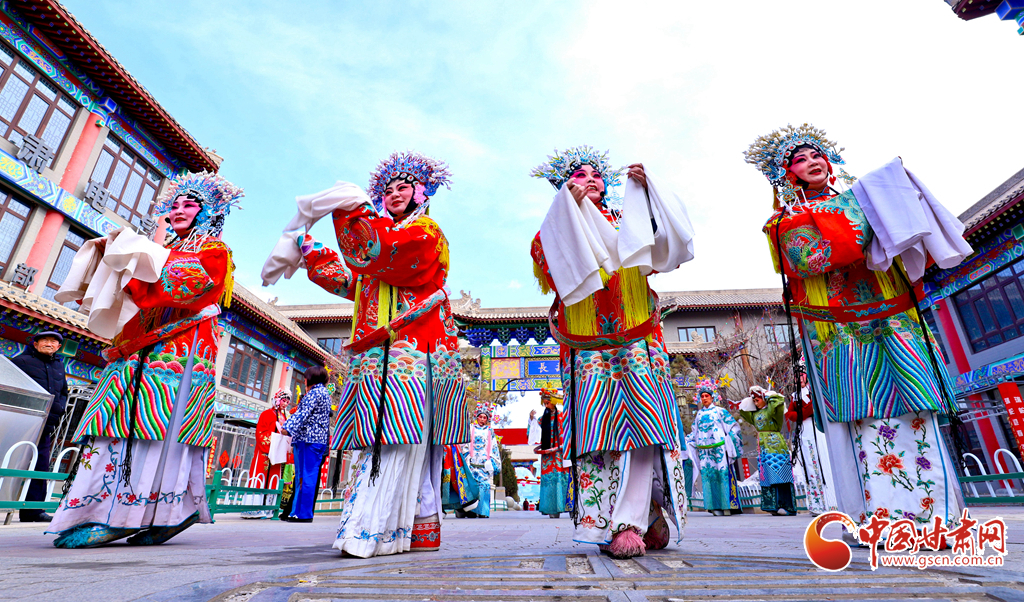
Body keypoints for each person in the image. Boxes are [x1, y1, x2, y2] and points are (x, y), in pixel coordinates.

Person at [745, 124, 967, 529]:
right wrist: (876, 210)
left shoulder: (867, 201)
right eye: (800, 160)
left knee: (916, 409)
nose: (812, 162)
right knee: (860, 419)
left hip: (893, 320)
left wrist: (891, 195)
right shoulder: (784, 221)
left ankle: (939, 518)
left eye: (816, 155)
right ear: (789, 174)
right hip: (838, 334)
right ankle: (878, 518)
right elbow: (812, 259)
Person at [269, 151, 469, 556]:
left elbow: (384, 252)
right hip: (378, 355)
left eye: (403, 187)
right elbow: (354, 281)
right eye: (387, 190)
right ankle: (394, 528)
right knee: (383, 438)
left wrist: (353, 211)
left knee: (399, 440)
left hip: (411, 352)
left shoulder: (426, 233)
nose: (394, 194)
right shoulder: (380, 242)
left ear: (421, 193)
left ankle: (371, 529)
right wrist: (310, 249)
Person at [48, 171, 243, 548]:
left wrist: (137, 255)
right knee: (117, 422)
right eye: (175, 204)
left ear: (208, 212)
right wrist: (117, 255)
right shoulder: (167, 248)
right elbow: (143, 287)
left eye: (190, 205)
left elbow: (186, 286)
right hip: (140, 349)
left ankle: (128, 514)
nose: (178, 210)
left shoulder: (214, 251)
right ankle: (126, 509)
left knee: (155, 428)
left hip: (180, 353)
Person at [529, 146, 693, 558]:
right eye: (578, 174)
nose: (589, 179)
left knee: (645, 428)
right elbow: (548, 269)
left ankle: (629, 522)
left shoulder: (627, 221)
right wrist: (567, 215)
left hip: (637, 339)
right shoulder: (553, 228)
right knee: (597, 435)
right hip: (587, 348)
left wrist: (650, 193)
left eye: (596, 174)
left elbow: (663, 251)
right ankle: (618, 518)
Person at [11, 330, 69, 523]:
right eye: (44, 340)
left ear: (58, 347)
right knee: (8, 459)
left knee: (40, 465)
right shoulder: (21, 361)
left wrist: (59, 409)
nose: (49, 343)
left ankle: (33, 511)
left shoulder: (59, 366)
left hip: (45, 425)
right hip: (20, 421)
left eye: (53, 341)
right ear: (35, 344)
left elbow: (63, 392)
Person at [280, 367, 333, 522]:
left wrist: (287, 428)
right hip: (314, 439)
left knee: (305, 477)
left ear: (311, 378)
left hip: (309, 439)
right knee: (305, 477)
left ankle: (303, 514)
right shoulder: (323, 393)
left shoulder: (315, 393)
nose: (304, 381)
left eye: (305, 378)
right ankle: (297, 512)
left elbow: (302, 414)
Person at [688, 379, 743, 516]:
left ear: (712, 397)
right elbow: (694, 432)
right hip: (704, 451)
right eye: (702, 396)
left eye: (707, 396)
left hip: (719, 449)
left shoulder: (720, 411)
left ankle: (728, 505)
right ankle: (714, 506)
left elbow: (734, 427)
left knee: (722, 475)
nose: (704, 398)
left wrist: (728, 440)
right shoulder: (698, 415)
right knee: (708, 477)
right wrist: (686, 441)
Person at [739, 386, 796, 516]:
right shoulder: (755, 414)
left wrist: (767, 395)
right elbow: (743, 411)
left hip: (775, 446)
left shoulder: (772, 411)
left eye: (757, 400)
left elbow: (778, 401)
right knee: (766, 476)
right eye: (754, 401)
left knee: (779, 473)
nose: (756, 403)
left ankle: (785, 505)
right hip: (763, 448)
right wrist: (751, 399)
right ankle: (772, 505)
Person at [786, 370, 836, 516]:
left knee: (823, 462)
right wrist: (803, 413)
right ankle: (816, 505)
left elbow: (811, 409)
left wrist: (801, 413)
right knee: (809, 466)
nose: (799, 378)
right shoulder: (795, 395)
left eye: (801, 374)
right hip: (804, 432)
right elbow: (790, 415)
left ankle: (830, 502)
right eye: (796, 376)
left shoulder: (815, 390)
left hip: (817, 429)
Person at [242, 389, 292, 519]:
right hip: (264, 452)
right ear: (277, 400)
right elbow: (261, 433)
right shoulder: (266, 414)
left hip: (277, 453)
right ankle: (253, 508)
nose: (285, 404)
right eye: (283, 400)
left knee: (273, 479)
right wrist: (274, 439)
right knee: (260, 476)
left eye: (287, 402)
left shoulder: (284, 417)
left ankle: (269, 508)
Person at [534, 389, 570, 518]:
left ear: (553, 402)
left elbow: (568, 433)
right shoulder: (541, 419)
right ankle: (551, 509)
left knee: (561, 478)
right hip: (547, 456)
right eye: (544, 403)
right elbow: (534, 433)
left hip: (560, 454)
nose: (546, 405)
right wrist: (531, 419)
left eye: (547, 402)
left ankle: (565, 506)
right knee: (549, 480)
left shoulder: (563, 416)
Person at [462, 407, 501, 518]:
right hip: (472, 463)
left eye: (485, 417)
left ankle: (483, 511)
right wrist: (466, 456)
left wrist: (492, 461)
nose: (482, 419)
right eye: (480, 417)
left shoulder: (490, 431)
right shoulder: (470, 428)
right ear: (477, 417)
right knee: (472, 487)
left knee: (484, 487)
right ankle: (472, 511)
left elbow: (494, 447)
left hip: (484, 464)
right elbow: (465, 443)